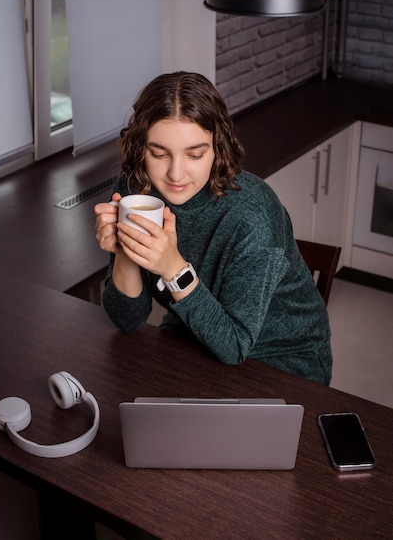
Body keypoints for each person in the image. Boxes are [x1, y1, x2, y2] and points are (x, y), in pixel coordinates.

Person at [94, 71, 332, 385]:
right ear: (140, 149)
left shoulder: (252, 215)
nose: (176, 174)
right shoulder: (135, 191)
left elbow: (234, 347)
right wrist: (125, 250)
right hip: (191, 338)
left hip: (282, 362)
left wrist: (173, 268)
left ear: (217, 146)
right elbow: (127, 320)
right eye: (159, 153)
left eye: (195, 154)